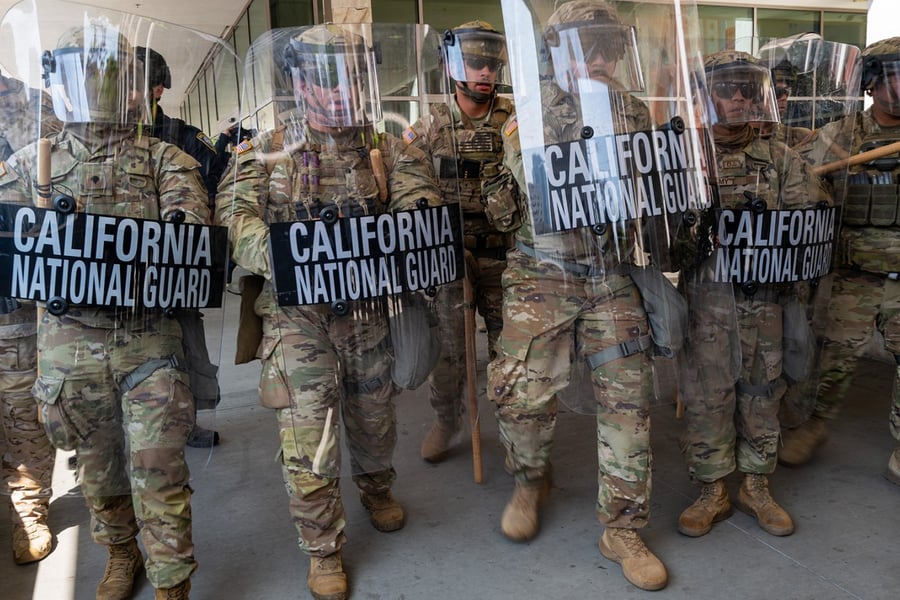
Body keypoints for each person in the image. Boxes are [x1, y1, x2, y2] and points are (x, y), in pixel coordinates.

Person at [214, 24, 441, 600]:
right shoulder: (267, 148)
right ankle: (322, 548)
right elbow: (234, 213)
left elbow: (420, 198)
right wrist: (280, 254)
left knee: (374, 416)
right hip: (298, 316)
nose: (339, 92)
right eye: (325, 79)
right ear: (299, 83)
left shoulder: (385, 145)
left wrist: (408, 224)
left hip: (368, 307)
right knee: (306, 432)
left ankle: (376, 488)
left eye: (350, 78)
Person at [0, 22, 210, 598]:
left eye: (110, 72)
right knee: (99, 471)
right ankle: (121, 554)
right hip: (70, 343)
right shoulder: (28, 164)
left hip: (148, 338)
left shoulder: (165, 158)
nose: (98, 84)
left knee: (161, 466)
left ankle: (172, 580)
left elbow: (189, 235)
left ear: (131, 84)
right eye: (83, 71)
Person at [482, 0, 672, 590]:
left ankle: (622, 527)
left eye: (607, 46)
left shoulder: (634, 111)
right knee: (522, 398)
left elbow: (649, 195)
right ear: (556, 50)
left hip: (609, 271)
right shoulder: (528, 112)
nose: (597, 57)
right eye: (583, 45)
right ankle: (529, 478)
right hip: (542, 272)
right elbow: (520, 187)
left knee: (630, 399)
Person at [677, 50, 830, 539]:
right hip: (708, 297)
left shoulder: (782, 160)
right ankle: (712, 490)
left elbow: (812, 226)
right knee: (708, 396)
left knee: (763, 393)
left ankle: (756, 486)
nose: (740, 98)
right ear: (706, 95)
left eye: (748, 88)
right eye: (727, 88)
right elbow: (660, 238)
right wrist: (694, 232)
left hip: (767, 299)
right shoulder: (686, 159)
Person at [780, 37, 900, 482]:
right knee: (830, 356)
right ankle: (812, 425)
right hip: (854, 275)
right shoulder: (841, 135)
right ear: (872, 82)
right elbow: (803, 193)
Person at [405, 20, 514, 463]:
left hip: (506, 253)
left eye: (490, 62)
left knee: (514, 353)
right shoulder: (429, 127)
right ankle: (447, 420)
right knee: (449, 352)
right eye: (474, 62)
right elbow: (408, 187)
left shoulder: (517, 119)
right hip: (450, 256)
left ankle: (516, 435)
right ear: (452, 65)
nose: (484, 71)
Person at [135, 45, 223, 449]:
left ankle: (185, 422)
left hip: (174, 270)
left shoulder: (184, 137)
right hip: (118, 274)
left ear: (157, 89)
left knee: (186, 347)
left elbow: (223, 184)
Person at [0, 71, 61, 565]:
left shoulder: (33, 103)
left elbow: (59, 192)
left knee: (23, 418)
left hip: (15, 309)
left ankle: (29, 512)